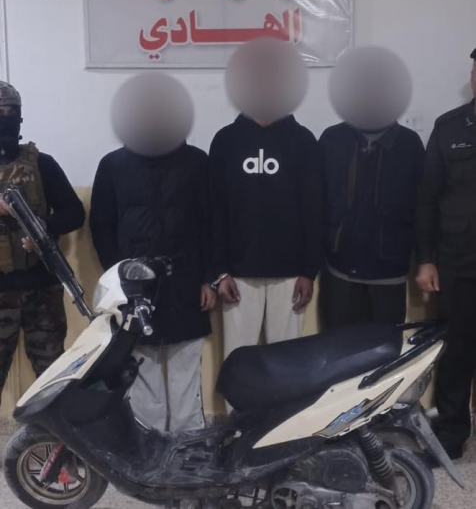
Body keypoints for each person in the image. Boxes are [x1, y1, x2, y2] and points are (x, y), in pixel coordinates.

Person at [90, 75, 215, 433]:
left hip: (186, 282)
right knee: (142, 371)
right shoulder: (113, 165)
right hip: (136, 289)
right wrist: (120, 280)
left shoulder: (196, 163)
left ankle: (190, 448)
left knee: (185, 371)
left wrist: (208, 278)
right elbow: (102, 226)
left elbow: (210, 224)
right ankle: (149, 446)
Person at [210, 40, 322, 365]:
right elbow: (214, 213)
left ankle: (284, 408)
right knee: (239, 363)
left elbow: (314, 211)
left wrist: (309, 271)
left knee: (287, 365)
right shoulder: (226, 141)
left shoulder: (303, 141)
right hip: (237, 275)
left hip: (291, 275)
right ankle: (238, 407)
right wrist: (220, 272)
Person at [0, 81, 85, 405]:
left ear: (20, 117)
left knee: (53, 379)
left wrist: (42, 228)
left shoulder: (41, 164)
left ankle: (56, 438)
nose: (5, 118)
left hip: (41, 288)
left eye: (11, 112)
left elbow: (74, 213)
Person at [415, 48, 476, 460]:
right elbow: (427, 198)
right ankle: (451, 436)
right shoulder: (449, 126)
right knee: (455, 352)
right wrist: (425, 258)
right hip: (457, 263)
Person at [318, 122, 425, 328]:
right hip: (339, 269)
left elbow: (422, 206)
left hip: (389, 270)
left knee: (385, 345)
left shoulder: (409, 143)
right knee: (336, 345)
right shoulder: (333, 138)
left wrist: (425, 259)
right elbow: (316, 202)